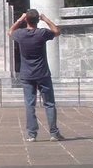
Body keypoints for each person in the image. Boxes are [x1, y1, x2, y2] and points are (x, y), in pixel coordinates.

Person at [8, 9, 65, 142]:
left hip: (27, 74)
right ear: (37, 20)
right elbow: (57, 31)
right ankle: (54, 133)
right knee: (49, 103)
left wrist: (20, 20)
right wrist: (46, 19)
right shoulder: (42, 33)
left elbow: (9, 32)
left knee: (29, 104)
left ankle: (32, 134)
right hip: (43, 73)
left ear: (27, 20)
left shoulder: (20, 34)